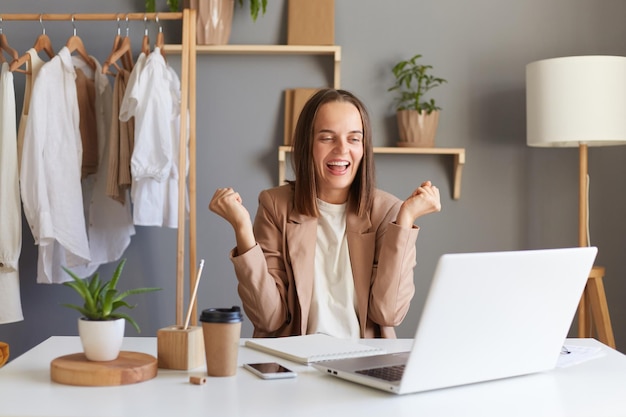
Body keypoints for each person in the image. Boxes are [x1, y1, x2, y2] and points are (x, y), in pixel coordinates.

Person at [209, 88, 441, 339]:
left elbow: (388, 314)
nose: (342, 150)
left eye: (354, 138)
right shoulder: (275, 205)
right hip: (293, 366)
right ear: (307, 145)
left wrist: (405, 222)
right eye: (327, 138)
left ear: (364, 147)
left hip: (363, 365)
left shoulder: (387, 211)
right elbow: (269, 317)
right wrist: (243, 229)